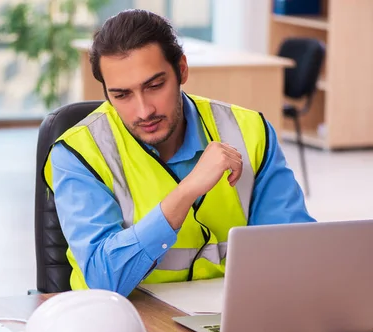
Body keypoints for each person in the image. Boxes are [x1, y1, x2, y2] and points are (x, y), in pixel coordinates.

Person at [42, 9, 315, 297]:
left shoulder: (250, 132)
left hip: (226, 316)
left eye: (155, 85)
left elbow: (295, 252)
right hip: (120, 324)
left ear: (182, 69)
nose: (144, 110)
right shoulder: (78, 152)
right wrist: (185, 193)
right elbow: (103, 281)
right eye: (122, 95)